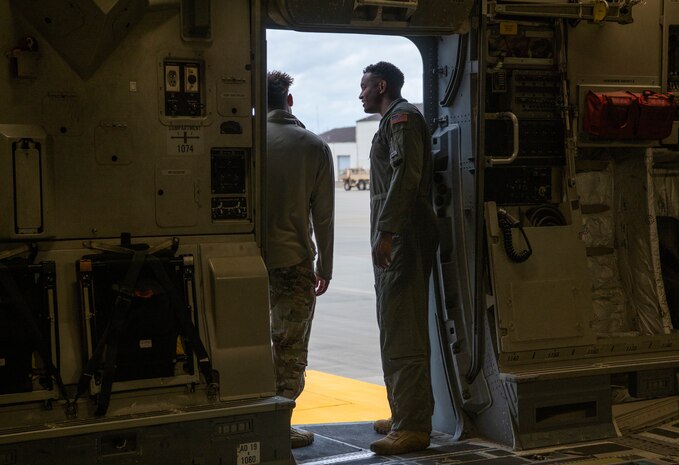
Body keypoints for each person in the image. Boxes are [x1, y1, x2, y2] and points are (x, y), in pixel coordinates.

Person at [358, 62, 439, 455]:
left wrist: (387, 232)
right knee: (393, 324)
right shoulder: (391, 120)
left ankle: (413, 427)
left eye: (365, 87)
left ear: (381, 86)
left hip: (404, 233)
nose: (361, 94)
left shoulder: (402, 118)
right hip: (398, 233)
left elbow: (406, 175)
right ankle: (403, 412)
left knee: (402, 328)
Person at [265, 70, 335, 449]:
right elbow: (323, 216)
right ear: (289, 100)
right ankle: (280, 424)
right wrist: (325, 267)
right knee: (290, 349)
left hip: (244, 265)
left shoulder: (249, 142)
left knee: (250, 343)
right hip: (294, 264)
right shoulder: (314, 146)